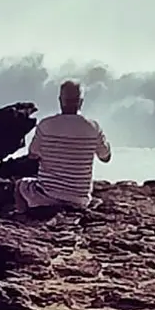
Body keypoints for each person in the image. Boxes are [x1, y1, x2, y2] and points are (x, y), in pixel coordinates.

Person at [15, 80, 112, 213]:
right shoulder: (93, 127)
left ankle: (24, 219)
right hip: (80, 199)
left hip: (47, 195)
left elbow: (33, 155)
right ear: (81, 101)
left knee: (21, 184)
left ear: (60, 100)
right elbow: (105, 158)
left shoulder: (45, 125)